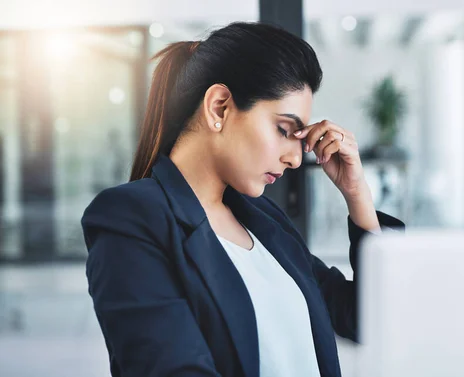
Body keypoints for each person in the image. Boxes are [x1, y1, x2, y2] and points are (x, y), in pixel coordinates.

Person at [81, 22, 404, 377]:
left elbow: (365, 319)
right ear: (219, 107)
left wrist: (357, 194)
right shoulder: (130, 219)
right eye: (284, 130)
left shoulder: (263, 219)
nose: (296, 158)